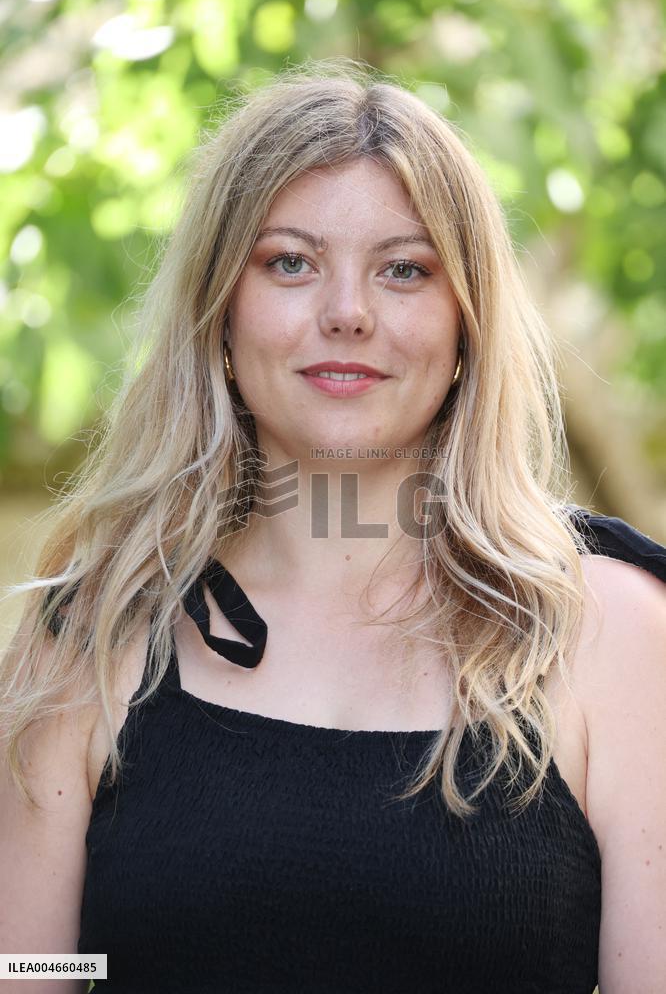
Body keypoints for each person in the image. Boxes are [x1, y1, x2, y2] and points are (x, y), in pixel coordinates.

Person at [1, 58, 665, 994]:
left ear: (466, 324)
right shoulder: (91, 631)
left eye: (404, 269)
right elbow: (30, 967)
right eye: (291, 263)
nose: (347, 314)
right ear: (221, 314)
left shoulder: (613, 632)